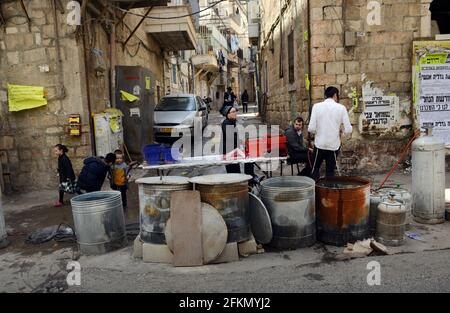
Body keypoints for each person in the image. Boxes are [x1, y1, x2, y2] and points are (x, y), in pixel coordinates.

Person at [308, 86, 353, 181]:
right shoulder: (341, 108)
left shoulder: (316, 106)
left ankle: (313, 192)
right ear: (335, 95)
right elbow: (348, 129)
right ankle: (328, 193)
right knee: (330, 172)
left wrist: (319, 132)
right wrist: (342, 132)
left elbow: (311, 128)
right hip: (333, 145)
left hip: (319, 144)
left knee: (315, 169)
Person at [221, 105, 256, 179]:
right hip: (229, 152)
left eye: (235, 111)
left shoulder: (231, 122)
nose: (235, 113)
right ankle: (250, 178)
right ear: (228, 114)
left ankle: (250, 178)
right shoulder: (227, 123)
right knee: (234, 174)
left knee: (248, 160)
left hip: (233, 150)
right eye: (233, 112)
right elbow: (231, 138)